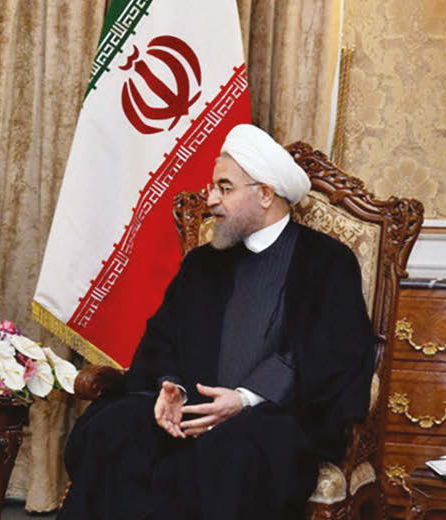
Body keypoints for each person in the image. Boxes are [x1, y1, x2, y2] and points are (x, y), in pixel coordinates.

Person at [60, 124, 375, 519]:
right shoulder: (202, 263)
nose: (210, 199)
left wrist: (244, 399)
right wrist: (170, 386)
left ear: (265, 194)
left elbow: (334, 355)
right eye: (212, 187)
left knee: (228, 455)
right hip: (191, 408)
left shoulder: (327, 262)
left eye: (224, 188)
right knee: (113, 427)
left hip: (272, 419)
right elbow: (163, 338)